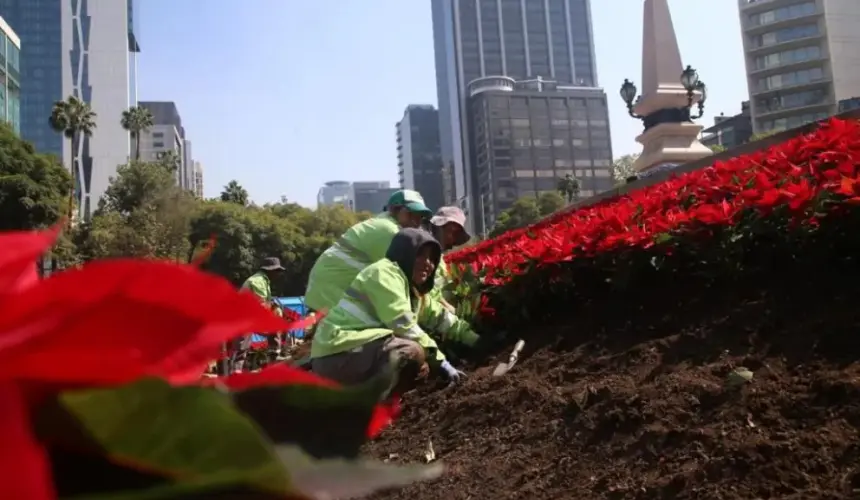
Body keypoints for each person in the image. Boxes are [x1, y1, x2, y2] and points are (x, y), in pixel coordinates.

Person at [309, 228, 481, 387]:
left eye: (432, 259)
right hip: (336, 353)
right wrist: (442, 362)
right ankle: (367, 411)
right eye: (420, 255)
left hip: (353, 352)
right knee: (410, 352)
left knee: (422, 368)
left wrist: (476, 340)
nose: (428, 264)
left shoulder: (413, 291)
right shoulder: (384, 274)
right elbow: (404, 325)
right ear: (405, 253)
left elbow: (441, 318)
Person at [304, 189, 433, 316]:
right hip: (331, 291)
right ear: (394, 210)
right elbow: (408, 277)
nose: (416, 221)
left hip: (327, 289)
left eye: (420, 216)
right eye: (410, 214)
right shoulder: (389, 231)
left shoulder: (382, 225)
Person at [232, 257, 285, 372]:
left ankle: (274, 356)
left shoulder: (263, 280)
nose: (278, 275)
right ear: (271, 270)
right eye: (277, 271)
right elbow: (262, 305)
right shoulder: (258, 281)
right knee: (242, 347)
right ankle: (236, 373)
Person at [427, 206, 471, 311]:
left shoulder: (439, 256)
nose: (451, 238)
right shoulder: (425, 254)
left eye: (456, 234)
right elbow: (426, 291)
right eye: (450, 231)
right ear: (436, 227)